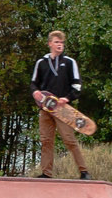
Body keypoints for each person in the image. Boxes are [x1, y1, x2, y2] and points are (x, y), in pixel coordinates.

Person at [30, 30, 91, 179]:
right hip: (45, 108)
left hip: (63, 109)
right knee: (46, 141)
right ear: (50, 43)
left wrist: (67, 98)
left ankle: (84, 171)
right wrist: (35, 92)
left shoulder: (70, 62)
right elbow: (33, 83)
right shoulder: (41, 63)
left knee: (69, 140)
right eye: (57, 42)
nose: (60, 45)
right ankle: (46, 173)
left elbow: (77, 86)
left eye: (62, 43)